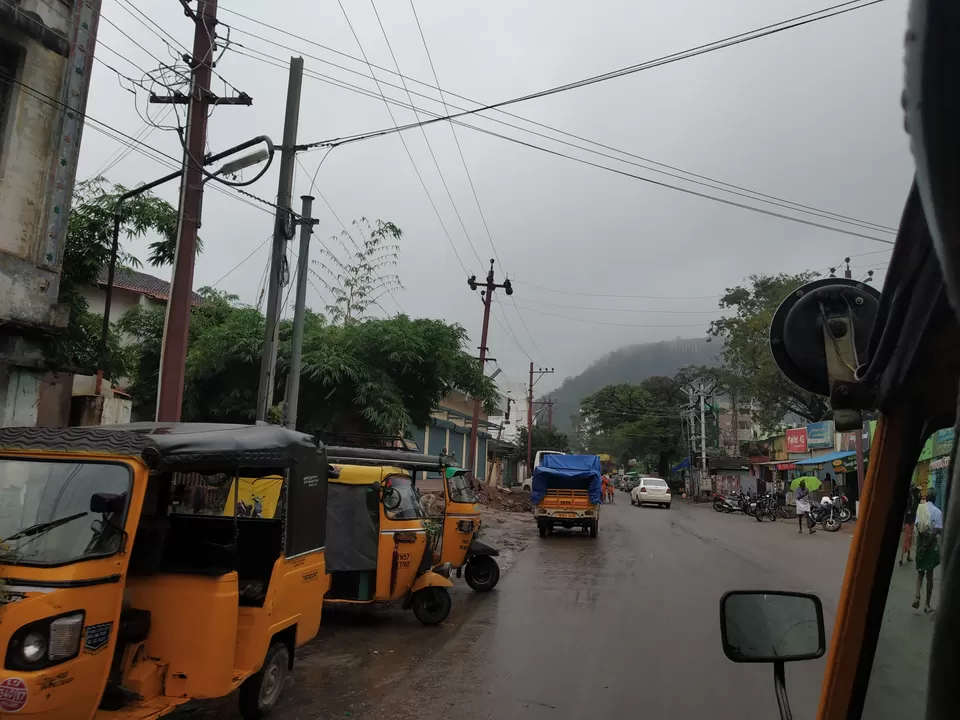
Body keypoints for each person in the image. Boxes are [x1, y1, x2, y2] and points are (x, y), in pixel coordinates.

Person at [913, 488, 943, 613]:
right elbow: (938, 530)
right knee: (929, 575)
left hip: (921, 543)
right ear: (934, 498)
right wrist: (929, 542)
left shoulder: (920, 509)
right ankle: (927, 605)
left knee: (920, 571)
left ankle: (917, 595)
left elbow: (917, 525)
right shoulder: (938, 512)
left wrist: (923, 544)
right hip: (930, 545)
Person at [900, 485, 922, 565]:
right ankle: (902, 558)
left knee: (910, 538)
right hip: (907, 520)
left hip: (912, 518)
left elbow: (918, 503)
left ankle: (908, 556)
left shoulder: (916, 496)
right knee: (906, 538)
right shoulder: (909, 495)